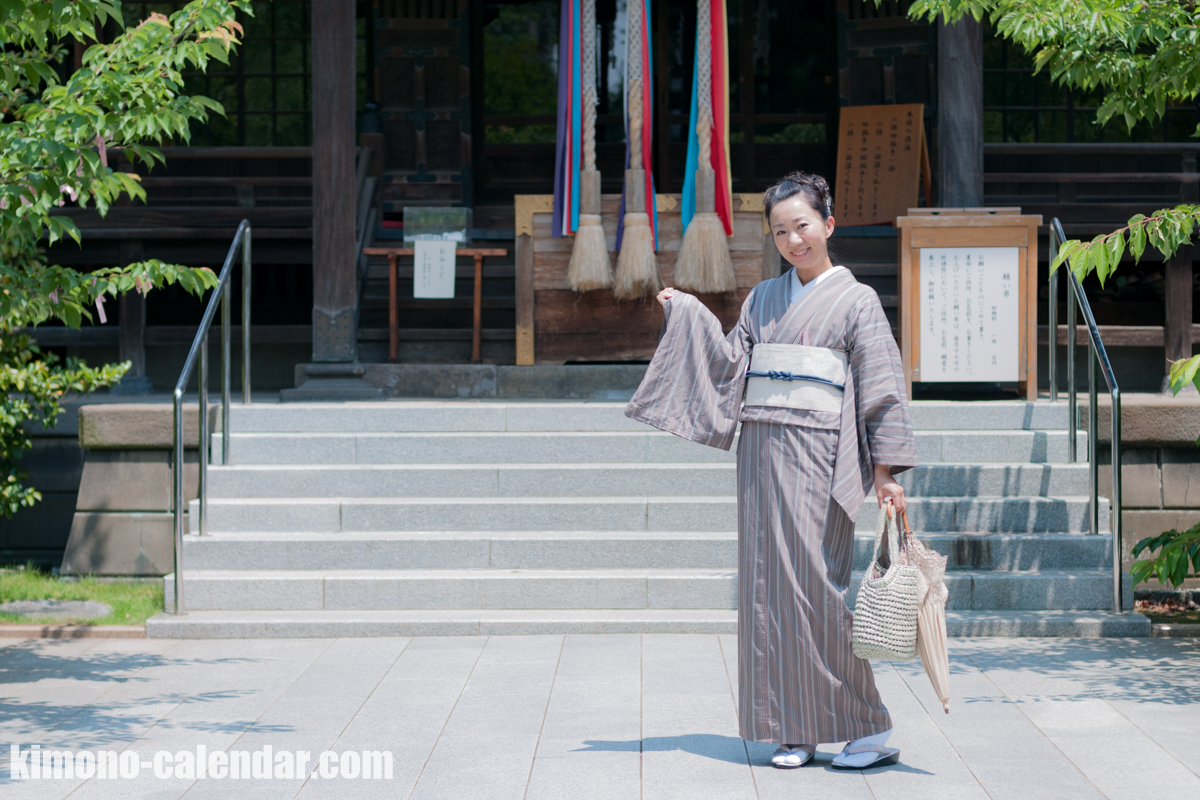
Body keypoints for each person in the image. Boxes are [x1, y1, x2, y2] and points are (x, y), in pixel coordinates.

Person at [624, 171, 917, 770]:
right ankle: (794, 729)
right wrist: (689, 313)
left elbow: (882, 387)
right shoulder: (762, 298)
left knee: (817, 590)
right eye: (780, 231)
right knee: (767, 591)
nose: (792, 240)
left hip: (820, 456)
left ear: (827, 225)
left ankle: (868, 727)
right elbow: (731, 363)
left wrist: (885, 472)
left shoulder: (857, 300)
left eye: (802, 226)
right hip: (761, 455)